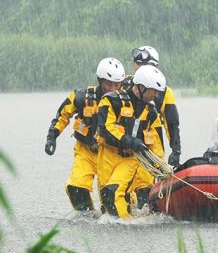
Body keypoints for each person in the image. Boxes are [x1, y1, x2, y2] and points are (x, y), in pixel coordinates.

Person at [44, 57, 125, 212]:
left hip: (111, 155)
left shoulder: (126, 102)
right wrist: (51, 137)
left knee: (111, 196)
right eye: (109, 84)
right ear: (100, 81)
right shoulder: (81, 97)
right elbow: (62, 116)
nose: (113, 88)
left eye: (117, 84)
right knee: (76, 187)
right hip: (86, 151)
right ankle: (87, 219)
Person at [97, 65, 166, 218]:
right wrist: (129, 140)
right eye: (153, 90)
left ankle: (125, 225)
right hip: (107, 157)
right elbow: (105, 129)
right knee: (107, 203)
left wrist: (161, 167)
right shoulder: (111, 101)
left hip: (130, 159)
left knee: (112, 193)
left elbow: (156, 146)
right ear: (141, 87)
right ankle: (126, 223)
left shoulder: (151, 113)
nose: (155, 95)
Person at [127, 46, 181, 167]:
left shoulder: (165, 93)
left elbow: (172, 125)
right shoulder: (122, 84)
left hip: (149, 144)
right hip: (123, 149)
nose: (139, 67)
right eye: (137, 63)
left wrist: (176, 151)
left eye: (144, 64)